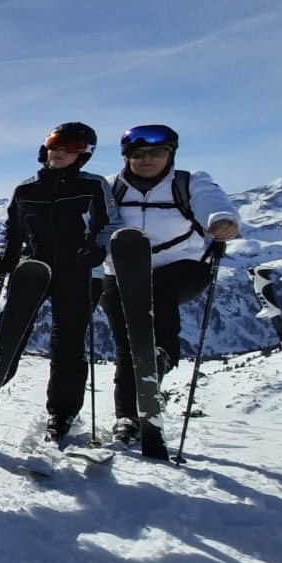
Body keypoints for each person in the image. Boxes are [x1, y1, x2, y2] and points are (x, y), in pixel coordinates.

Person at [99, 124, 241, 442]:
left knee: (159, 291)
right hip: (121, 271)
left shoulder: (189, 183)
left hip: (182, 265)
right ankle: (127, 417)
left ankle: (160, 354)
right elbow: (90, 222)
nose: (147, 159)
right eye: (138, 154)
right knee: (126, 344)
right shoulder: (109, 188)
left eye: (156, 153)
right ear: (126, 157)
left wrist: (220, 221)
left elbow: (212, 202)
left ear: (170, 154)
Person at [0, 123, 120, 441]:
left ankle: (62, 412)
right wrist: (2, 259)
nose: (60, 152)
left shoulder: (94, 185)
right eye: (55, 144)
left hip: (78, 271)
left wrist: (97, 247)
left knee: (68, 342)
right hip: (35, 269)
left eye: (72, 147)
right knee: (9, 328)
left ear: (84, 154)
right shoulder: (26, 189)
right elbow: (12, 232)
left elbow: (111, 223)